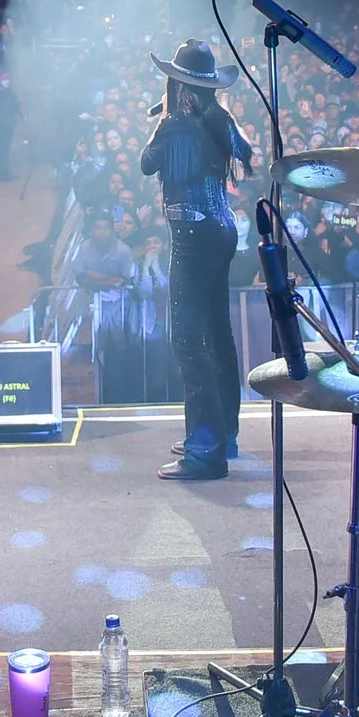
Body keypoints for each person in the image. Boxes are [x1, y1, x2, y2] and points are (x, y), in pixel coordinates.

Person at [140, 38, 254, 482]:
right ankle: (224, 432)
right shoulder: (219, 117)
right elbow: (244, 154)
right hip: (221, 229)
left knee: (188, 339)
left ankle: (204, 450)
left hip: (191, 235)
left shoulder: (172, 126)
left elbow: (147, 164)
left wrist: (163, 121)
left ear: (177, 83)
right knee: (216, 331)